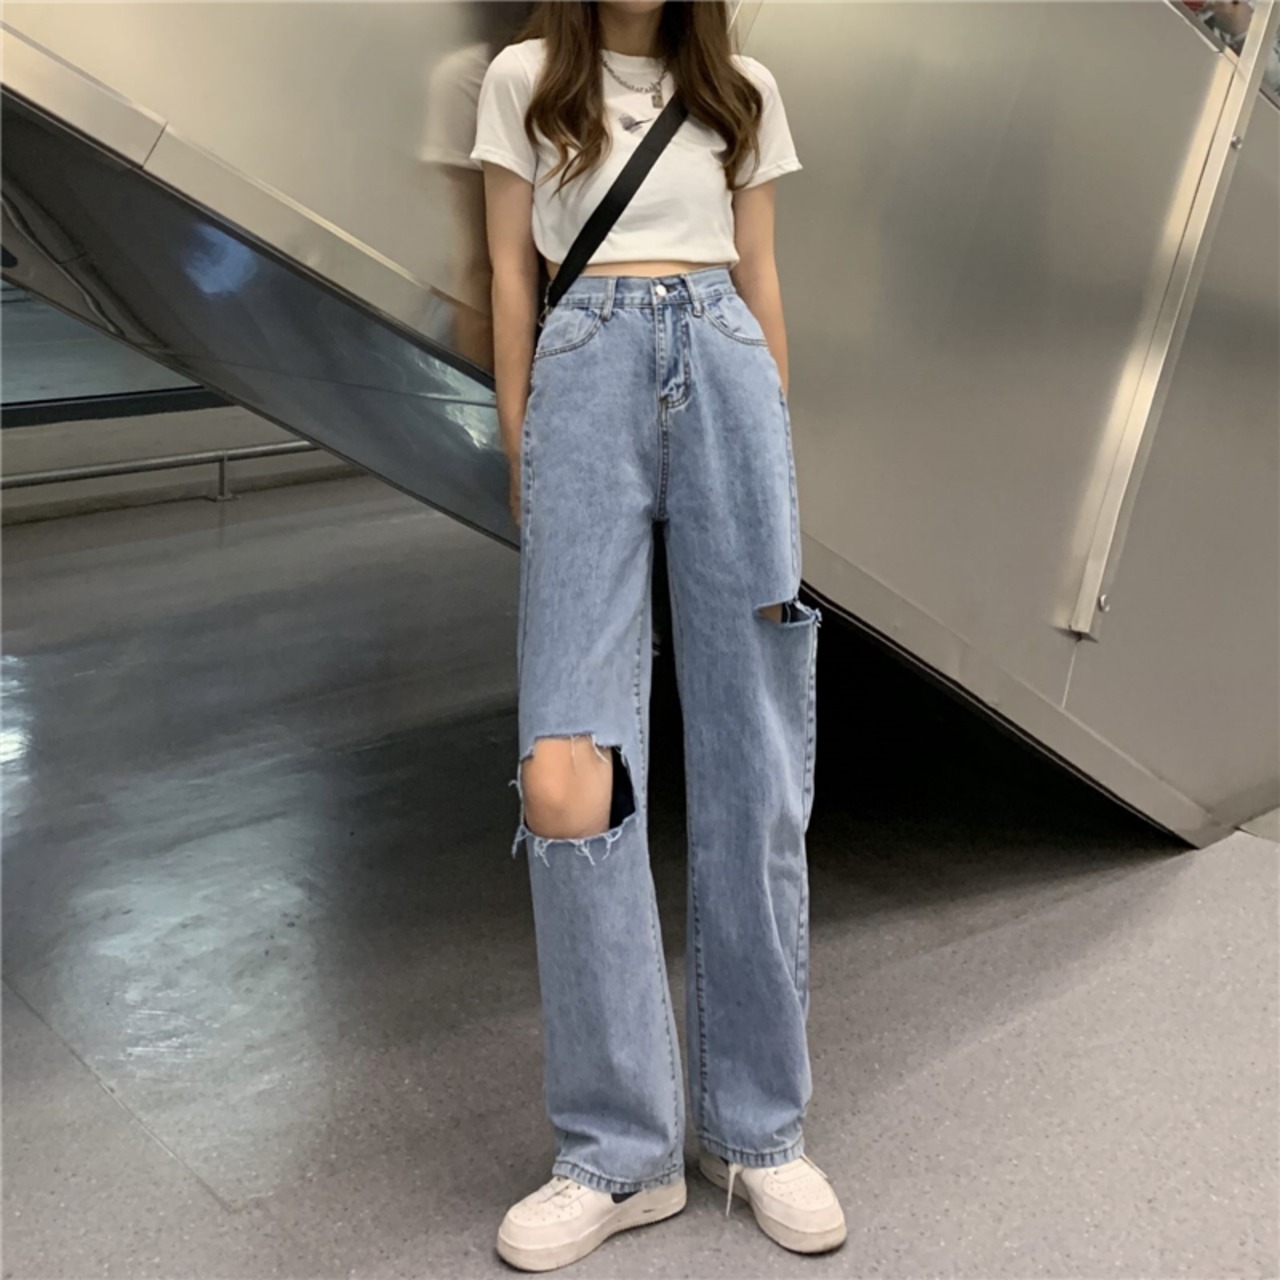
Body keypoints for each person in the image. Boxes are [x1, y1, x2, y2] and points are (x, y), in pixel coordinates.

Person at [470, 1, 844, 1270]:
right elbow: (509, 278)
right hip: (583, 379)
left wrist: (774, 449)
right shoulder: (523, 79)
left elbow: (761, 275)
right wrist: (524, 447)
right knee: (565, 770)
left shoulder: (743, 88)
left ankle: (755, 1128)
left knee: (755, 757)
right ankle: (617, 1150)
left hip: (727, 371)